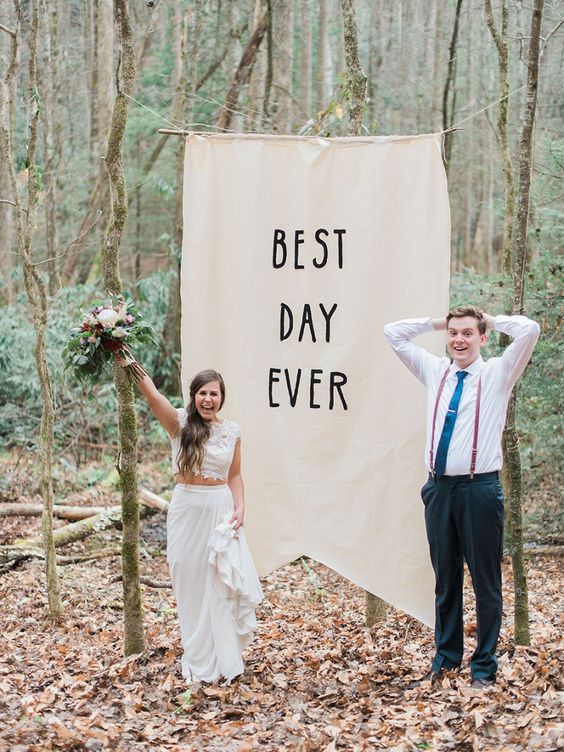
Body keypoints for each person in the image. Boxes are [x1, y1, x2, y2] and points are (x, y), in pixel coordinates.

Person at [384, 306, 539, 689]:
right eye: (453, 333)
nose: (459, 340)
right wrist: (439, 322)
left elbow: (530, 330)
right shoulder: (435, 370)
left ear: (482, 338)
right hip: (438, 489)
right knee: (445, 579)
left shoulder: (498, 374)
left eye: (468, 333)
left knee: (485, 582)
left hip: (480, 490)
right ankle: (446, 659)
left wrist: (492, 318)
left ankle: (484, 666)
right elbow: (393, 332)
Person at [116, 356, 264, 685]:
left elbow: (235, 476)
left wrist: (240, 508)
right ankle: (196, 654)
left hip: (220, 509)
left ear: (222, 397)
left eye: (214, 394)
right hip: (186, 508)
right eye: (203, 394)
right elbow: (153, 396)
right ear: (194, 396)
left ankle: (223, 657)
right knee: (187, 577)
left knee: (218, 582)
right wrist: (128, 361)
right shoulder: (180, 424)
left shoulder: (232, 431)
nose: (208, 399)